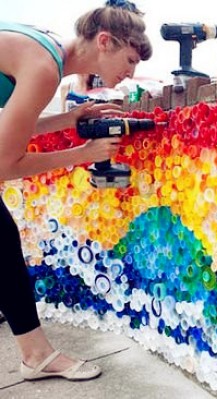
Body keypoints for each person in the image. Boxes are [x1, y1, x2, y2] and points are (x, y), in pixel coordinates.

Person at [0, 0, 151, 381]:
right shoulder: (44, 68)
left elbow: (12, 129)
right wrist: (83, 154)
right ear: (105, 41)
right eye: (130, 59)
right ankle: (36, 355)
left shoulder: (43, 48)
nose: (131, 73)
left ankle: (35, 354)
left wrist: (70, 119)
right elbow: (4, 165)